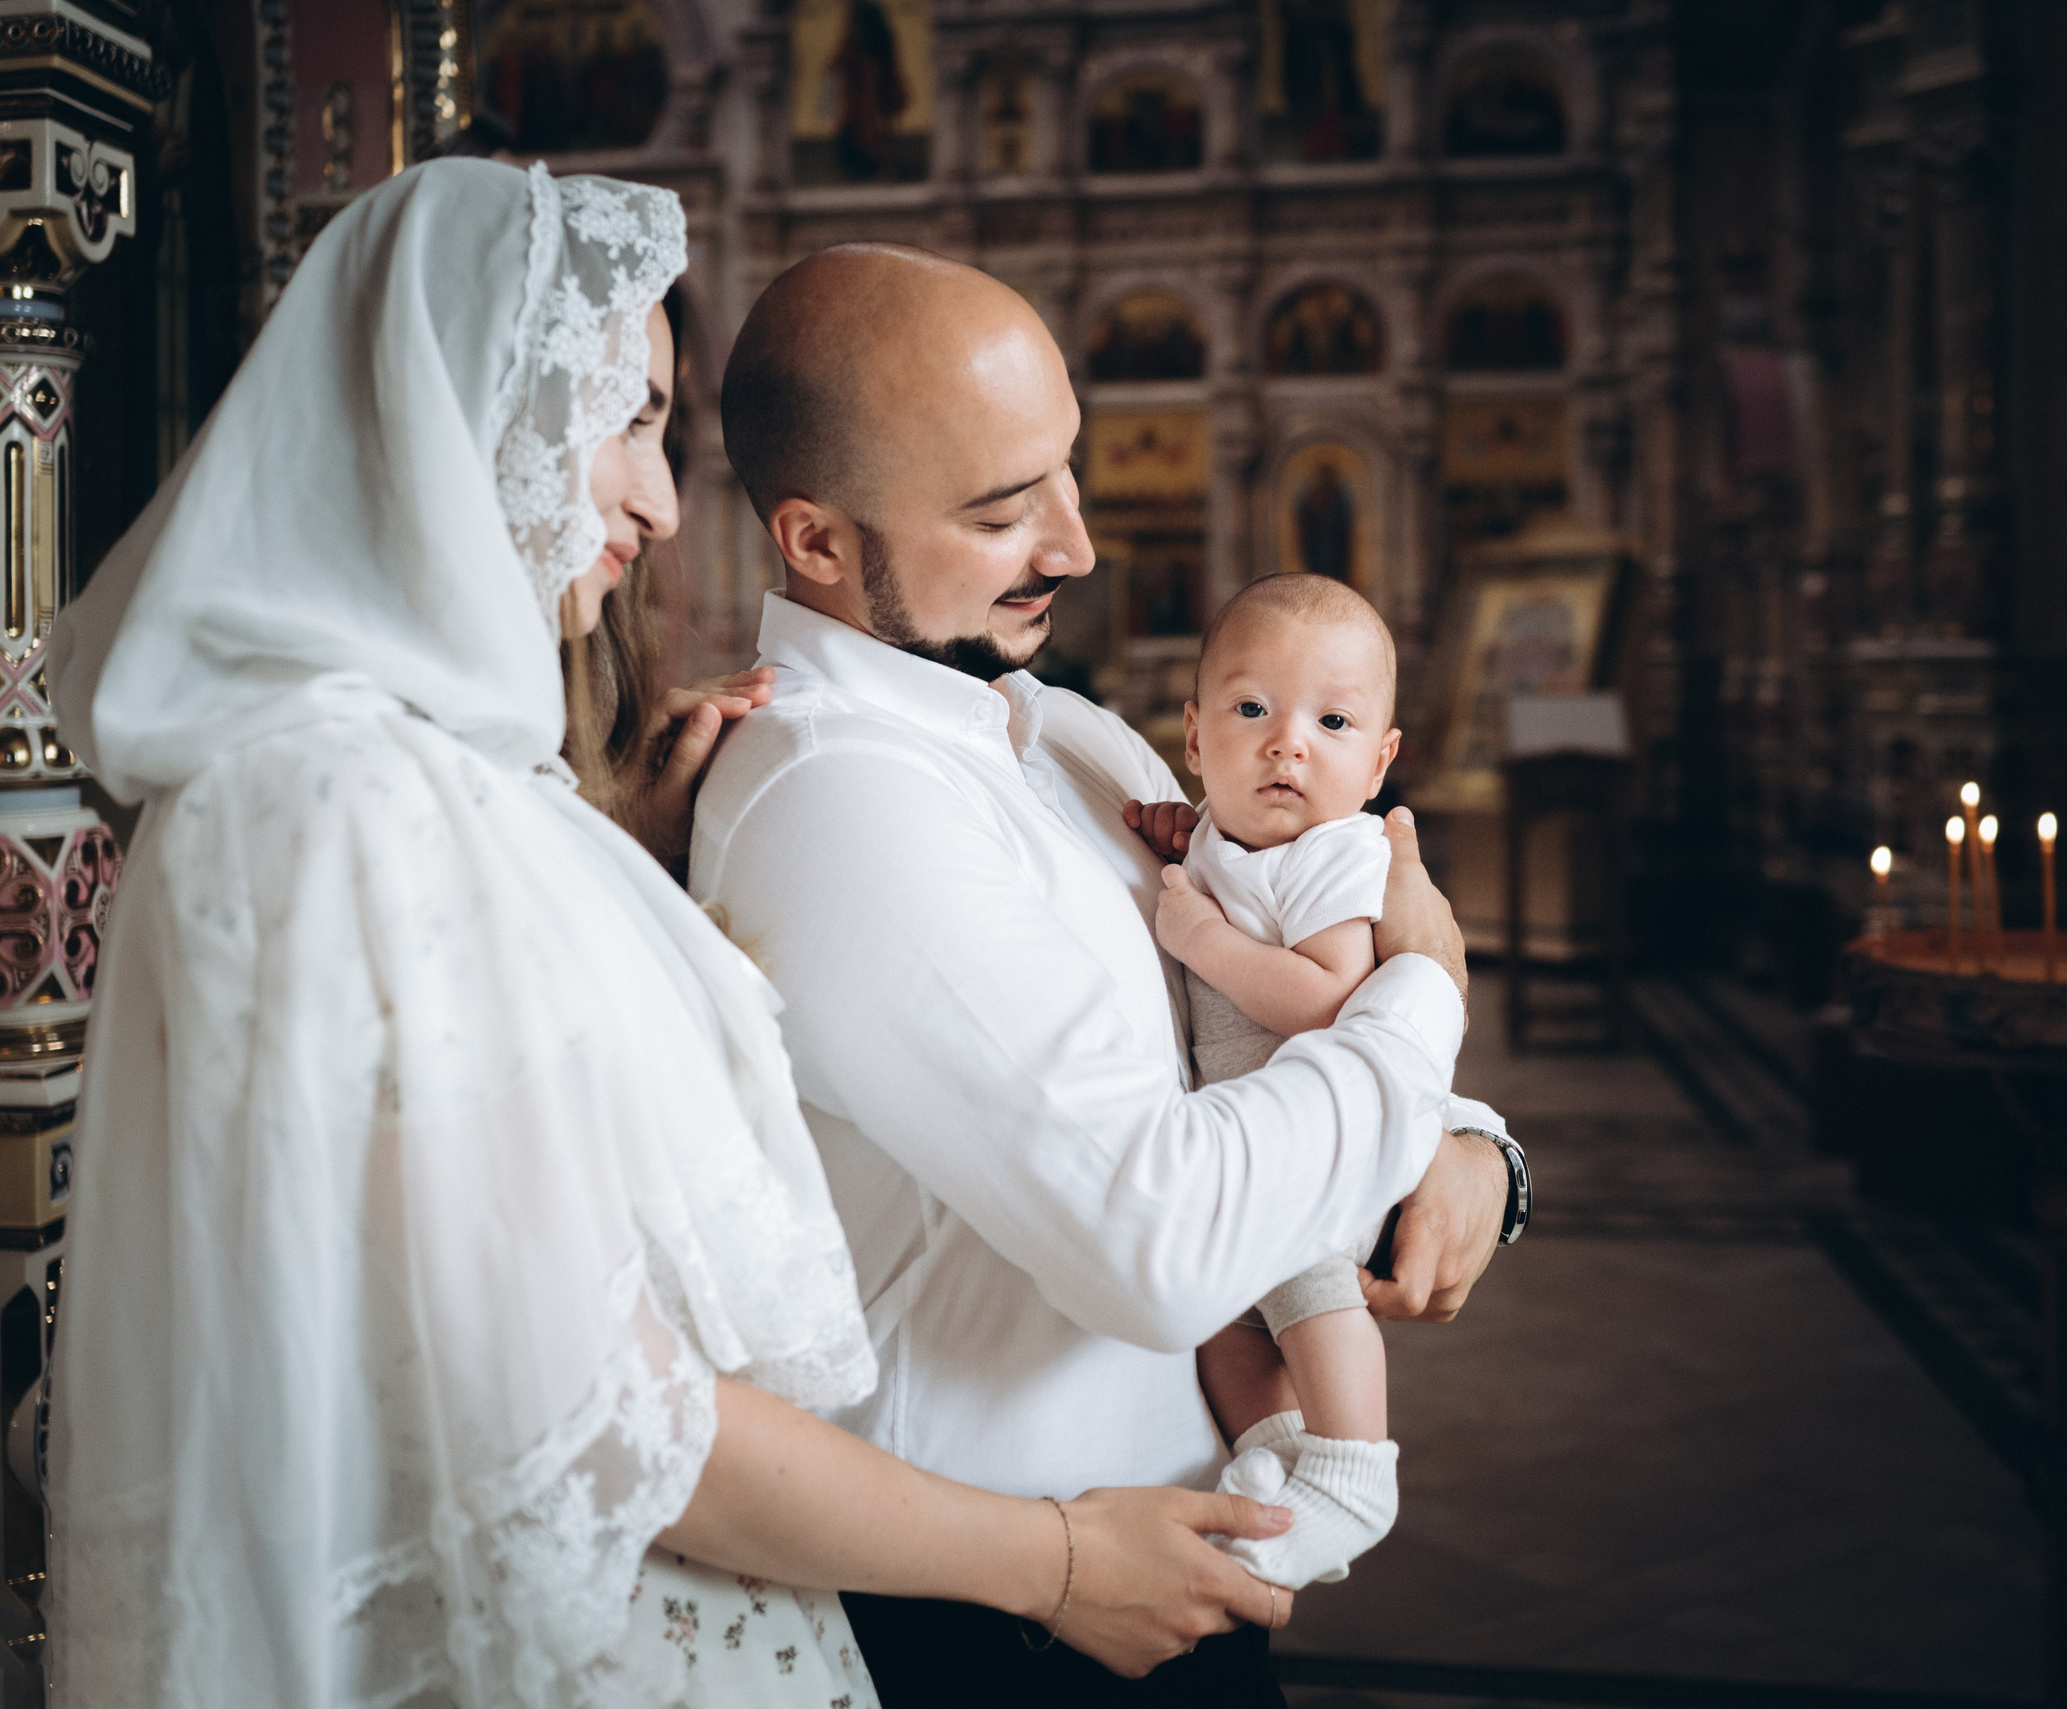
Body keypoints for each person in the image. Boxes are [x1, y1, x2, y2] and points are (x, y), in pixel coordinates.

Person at [43, 159, 1294, 1709]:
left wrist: (613, 861)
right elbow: (603, 1410)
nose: (652, 494)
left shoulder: (456, 795)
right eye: (621, 422)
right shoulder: (338, 806)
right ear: (449, 426)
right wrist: (1054, 1561)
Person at [694, 242, 1530, 1705]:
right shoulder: (842, 799)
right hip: (999, 1625)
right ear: (816, 541)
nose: (1076, 542)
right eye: (1007, 508)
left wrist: (1471, 1141)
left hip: (1175, 1570)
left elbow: (1238, 1034)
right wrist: (1428, 1000)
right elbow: (1165, 1243)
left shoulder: (1068, 738)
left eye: (1065, 474)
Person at [1148, 573, 1412, 1592]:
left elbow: (1324, 997)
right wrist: (1168, 833)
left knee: (1310, 1291)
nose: (1286, 743)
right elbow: (1210, 852)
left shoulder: (1338, 855)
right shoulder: (1227, 834)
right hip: (1235, 1152)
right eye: (1251, 708)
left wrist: (1201, 935)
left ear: (1379, 759)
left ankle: (1354, 1467)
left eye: (1332, 720)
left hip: (1311, 1149)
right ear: (1193, 733)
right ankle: (1276, 1451)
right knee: (1220, 1319)